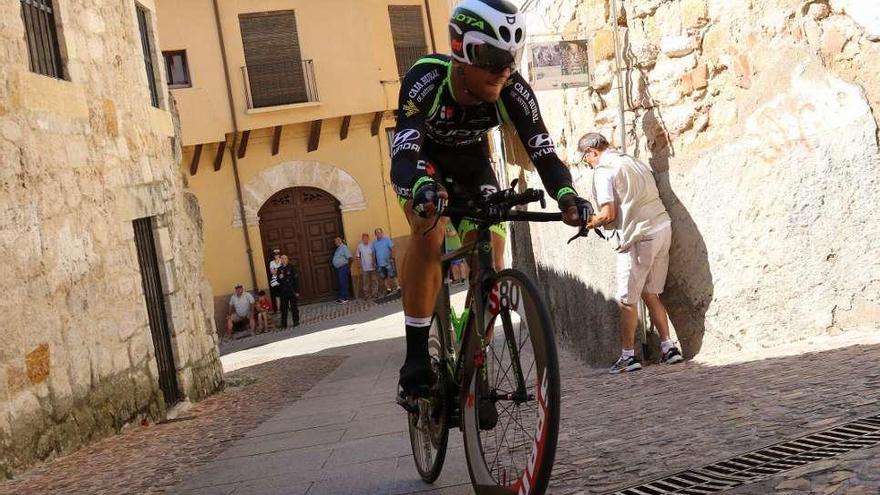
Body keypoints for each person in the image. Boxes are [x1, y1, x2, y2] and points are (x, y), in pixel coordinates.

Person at [389, 0, 594, 401]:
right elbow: (404, 152)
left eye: (511, 59)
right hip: (423, 165)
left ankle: (472, 356)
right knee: (429, 229)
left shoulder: (513, 89)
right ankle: (415, 357)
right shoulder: (425, 79)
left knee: (492, 257)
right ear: (461, 50)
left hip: (472, 168)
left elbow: (544, 152)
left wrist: (567, 195)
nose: (504, 71)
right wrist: (419, 187)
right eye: (494, 58)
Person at [578, 132, 684, 373]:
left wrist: (588, 223)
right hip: (662, 228)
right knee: (650, 292)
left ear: (592, 152)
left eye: (587, 159)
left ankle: (628, 356)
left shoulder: (604, 170)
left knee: (627, 301)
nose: (588, 164)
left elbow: (608, 214)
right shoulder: (632, 160)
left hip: (638, 237)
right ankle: (669, 348)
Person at [276, 255, 300, 328]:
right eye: (282, 259)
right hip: (283, 291)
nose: (283, 260)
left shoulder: (292, 267)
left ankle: (296, 322)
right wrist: (280, 278)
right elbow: (277, 280)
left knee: (294, 307)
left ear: (287, 259)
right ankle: (284, 324)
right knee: (283, 308)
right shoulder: (279, 269)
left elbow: (296, 279)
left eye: (285, 258)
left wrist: (297, 291)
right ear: (281, 260)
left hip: (291, 290)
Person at [373, 228, 399, 295]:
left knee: (393, 275)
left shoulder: (387, 239)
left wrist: (391, 257)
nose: (378, 234)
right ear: (375, 235)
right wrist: (374, 262)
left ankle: (398, 287)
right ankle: (388, 289)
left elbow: (392, 248)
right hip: (380, 263)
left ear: (382, 233)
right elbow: (374, 253)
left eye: (379, 232)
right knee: (384, 277)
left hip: (388, 261)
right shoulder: (374, 243)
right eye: (377, 233)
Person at [356, 233, 380, 299]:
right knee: (365, 282)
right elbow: (358, 256)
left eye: (366, 238)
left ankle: (375, 294)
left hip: (372, 266)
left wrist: (374, 262)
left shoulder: (371, 245)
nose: (365, 239)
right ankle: (367, 295)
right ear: (362, 239)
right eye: (364, 238)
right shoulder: (359, 246)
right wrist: (359, 264)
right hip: (364, 267)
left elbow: (374, 254)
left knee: (374, 280)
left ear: (368, 238)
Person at [332, 237, 352, 303]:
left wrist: (348, 267)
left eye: (337, 241)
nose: (336, 243)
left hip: (343, 267)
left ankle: (345, 298)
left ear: (340, 241)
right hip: (340, 268)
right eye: (335, 242)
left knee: (343, 282)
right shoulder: (338, 248)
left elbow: (350, 258)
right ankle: (342, 297)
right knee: (341, 282)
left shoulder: (344, 248)